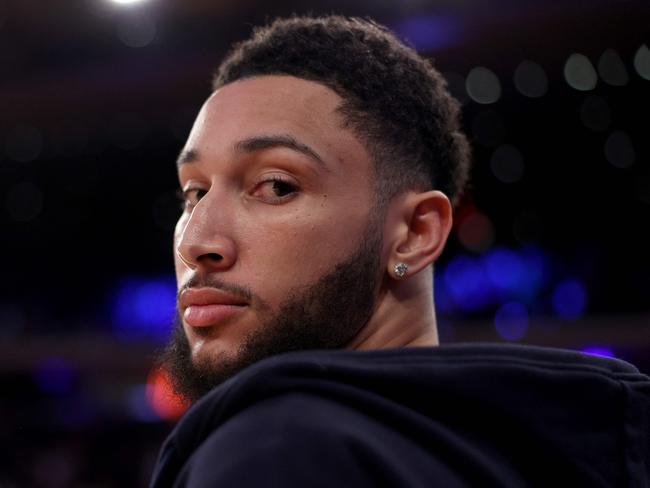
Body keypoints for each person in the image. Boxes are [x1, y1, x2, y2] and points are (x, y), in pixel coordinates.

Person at [151, 15, 650, 487]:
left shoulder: (275, 448)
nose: (197, 242)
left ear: (415, 232)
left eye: (277, 186)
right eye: (193, 193)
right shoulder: (583, 447)